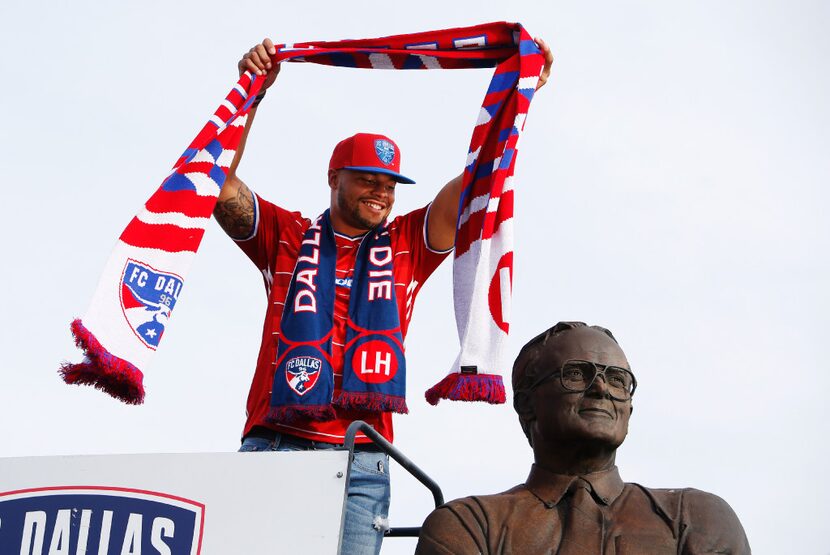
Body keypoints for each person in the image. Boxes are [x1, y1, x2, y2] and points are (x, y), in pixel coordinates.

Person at [213, 38, 554, 555]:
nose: (380, 193)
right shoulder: (287, 237)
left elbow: (479, 180)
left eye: (390, 185)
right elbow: (214, 184)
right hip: (274, 443)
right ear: (334, 179)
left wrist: (518, 97)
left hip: (362, 460)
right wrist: (252, 95)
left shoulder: (407, 245)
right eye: (366, 180)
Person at [416, 322, 751, 554]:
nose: (602, 388)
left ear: (630, 409)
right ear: (526, 402)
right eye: (576, 374)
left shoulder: (694, 518)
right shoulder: (470, 526)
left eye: (618, 380)